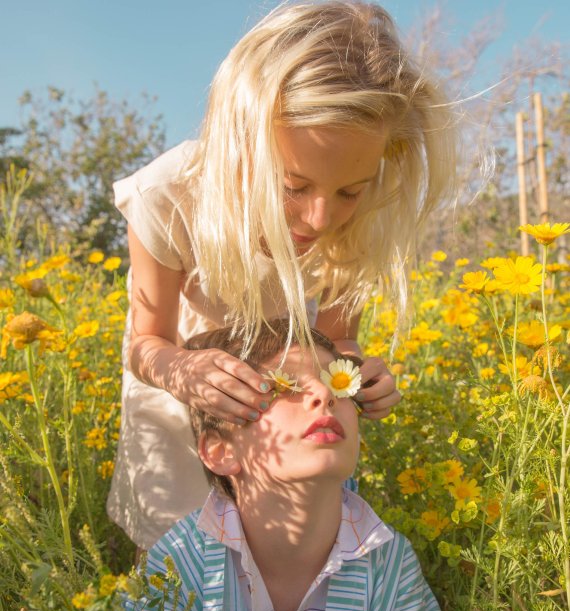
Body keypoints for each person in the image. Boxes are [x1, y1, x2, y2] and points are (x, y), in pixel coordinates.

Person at [107, 0, 457, 550]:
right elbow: (146, 342)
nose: (320, 218)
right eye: (293, 186)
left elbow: (338, 337)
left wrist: (354, 370)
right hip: (176, 382)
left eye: (349, 190)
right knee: (174, 544)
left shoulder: (359, 222)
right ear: (237, 141)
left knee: (288, 541)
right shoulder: (168, 196)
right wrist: (185, 372)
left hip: (289, 400)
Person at [126, 320, 464, 611]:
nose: (325, 392)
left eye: (338, 382)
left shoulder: (389, 565)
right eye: (284, 385)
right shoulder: (177, 566)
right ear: (220, 450)